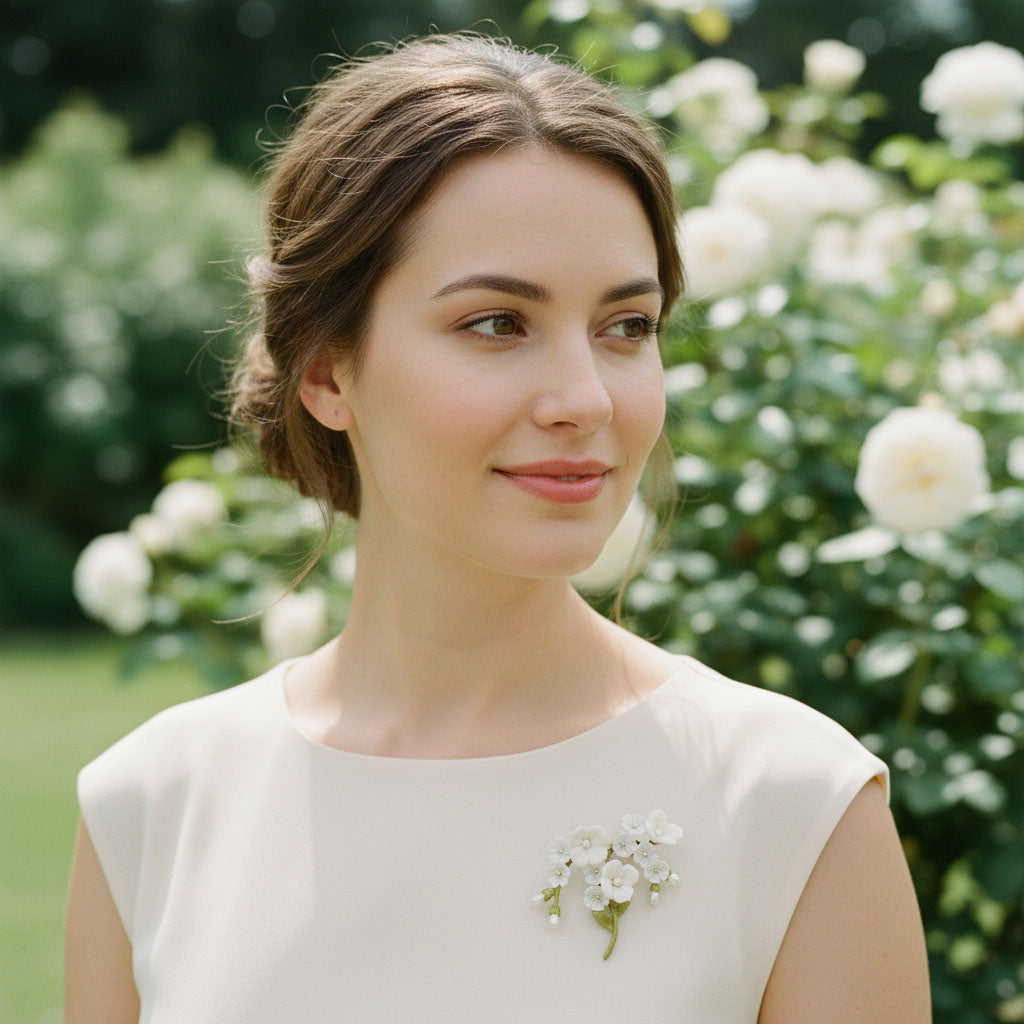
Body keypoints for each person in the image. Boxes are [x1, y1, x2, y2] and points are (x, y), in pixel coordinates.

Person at [64, 33, 931, 1023]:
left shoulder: (794, 806)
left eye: (625, 327)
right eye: (497, 324)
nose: (585, 398)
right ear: (325, 370)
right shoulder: (152, 807)